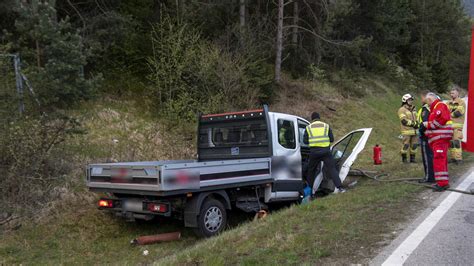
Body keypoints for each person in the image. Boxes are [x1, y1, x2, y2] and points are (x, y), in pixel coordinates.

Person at [304, 112, 345, 194]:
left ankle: (309, 192)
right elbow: (332, 139)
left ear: (312, 119)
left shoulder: (308, 128)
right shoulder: (326, 126)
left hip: (314, 152)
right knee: (332, 169)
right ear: (319, 118)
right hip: (326, 152)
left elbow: (305, 141)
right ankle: (340, 188)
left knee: (311, 171)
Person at [423, 92, 454, 191]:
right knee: (440, 160)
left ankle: (442, 184)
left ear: (430, 99)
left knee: (439, 160)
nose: (426, 104)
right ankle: (443, 182)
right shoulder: (436, 107)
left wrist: (427, 125)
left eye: (427, 101)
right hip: (439, 139)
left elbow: (441, 119)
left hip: (440, 139)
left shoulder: (439, 106)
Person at [417, 90, 435, 183]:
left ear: (425, 97)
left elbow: (424, 123)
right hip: (432, 136)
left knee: (427, 158)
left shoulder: (425, 109)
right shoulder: (431, 108)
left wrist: (420, 131)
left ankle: (429, 177)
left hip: (426, 136)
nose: (421, 99)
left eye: (422, 97)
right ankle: (433, 176)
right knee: (431, 157)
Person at [398, 94, 419, 163]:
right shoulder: (402, 109)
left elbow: (417, 119)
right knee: (405, 146)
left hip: (415, 131)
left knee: (414, 146)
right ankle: (404, 159)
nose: (411, 101)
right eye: (409, 100)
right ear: (405, 100)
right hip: (406, 131)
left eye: (411, 100)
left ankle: (412, 159)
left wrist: (418, 124)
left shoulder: (414, 109)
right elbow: (403, 121)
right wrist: (414, 124)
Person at [447, 87, 466, 164]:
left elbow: (458, 113)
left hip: (457, 127)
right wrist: (450, 114)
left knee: (457, 143)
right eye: (451, 93)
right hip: (449, 127)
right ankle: (453, 158)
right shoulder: (448, 102)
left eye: (453, 93)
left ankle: (458, 159)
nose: (452, 95)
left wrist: (449, 114)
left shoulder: (461, 102)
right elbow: (444, 112)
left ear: (458, 93)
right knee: (451, 143)